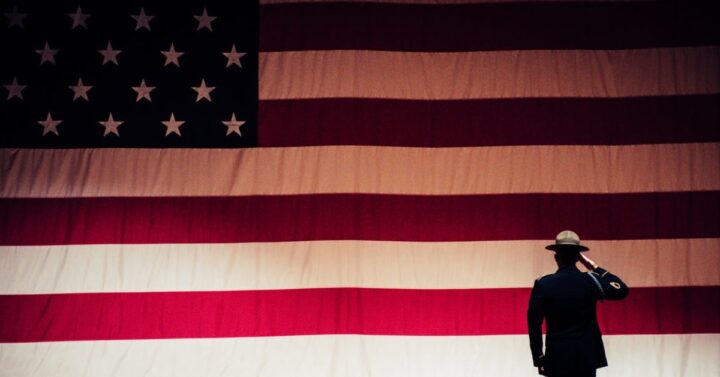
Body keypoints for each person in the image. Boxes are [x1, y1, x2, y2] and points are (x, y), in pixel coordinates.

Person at [527, 230, 629, 377]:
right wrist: (594, 266)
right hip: (586, 356)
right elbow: (621, 290)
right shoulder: (591, 281)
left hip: (557, 356)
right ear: (577, 258)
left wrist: (539, 358)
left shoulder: (544, 284)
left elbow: (534, 324)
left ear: (556, 257)